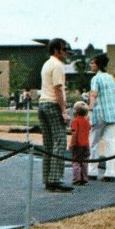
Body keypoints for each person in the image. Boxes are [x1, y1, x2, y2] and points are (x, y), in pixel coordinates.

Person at [38, 37, 72, 192]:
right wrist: (64, 111)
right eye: (64, 49)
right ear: (57, 50)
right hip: (52, 104)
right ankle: (56, 180)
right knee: (59, 142)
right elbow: (58, 90)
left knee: (49, 144)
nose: (66, 53)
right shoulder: (58, 66)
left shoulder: (46, 64)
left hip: (42, 103)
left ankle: (48, 178)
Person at [88, 53, 115, 182]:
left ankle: (92, 171)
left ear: (98, 65)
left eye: (92, 63)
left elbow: (93, 94)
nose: (91, 65)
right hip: (113, 114)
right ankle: (110, 172)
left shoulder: (96, 79)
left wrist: (90, 109)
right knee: (110, 143)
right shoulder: (111, 78)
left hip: (100, 113)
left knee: (93, 142)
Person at [69, 101, 91, 186]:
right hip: (86, 144)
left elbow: (74, 133)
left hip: (78, 144)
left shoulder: (75, 121)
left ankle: (76, 179)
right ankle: (84, 178)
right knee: (84, 161)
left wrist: (71, 144)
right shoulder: (86, 121)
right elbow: (88, 130)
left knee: (76, 161)